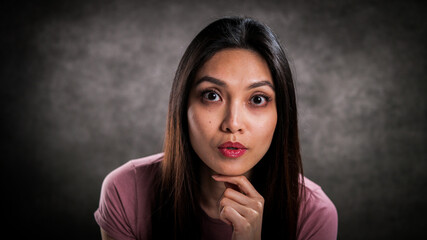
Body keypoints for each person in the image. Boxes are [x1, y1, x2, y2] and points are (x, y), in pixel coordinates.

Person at [94, 16, 338, 240]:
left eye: (257, 99)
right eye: (212, 95)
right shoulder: (127, 192)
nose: (232, 123)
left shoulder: (314, 215)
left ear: (281, 114)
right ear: (182, 106)